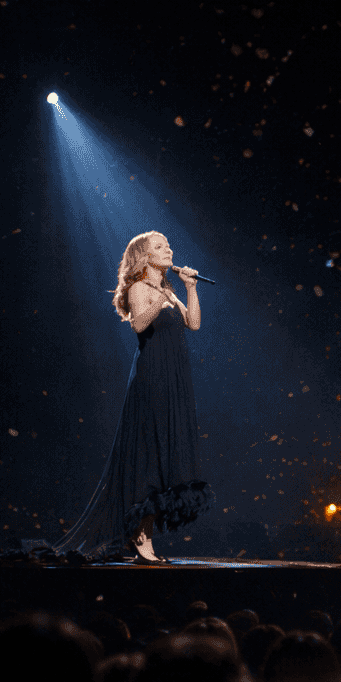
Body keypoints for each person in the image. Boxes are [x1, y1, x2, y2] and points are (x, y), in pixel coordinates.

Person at [54, 231, 214, 564]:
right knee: (149, 457)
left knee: (166, 454)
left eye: (169, 244)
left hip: (175, 379)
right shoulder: (140, 289)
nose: (168, 248)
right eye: (160, 246)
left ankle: (143, 537)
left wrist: (190, 287)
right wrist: (159, 296)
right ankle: (141, 539)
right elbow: (140, 325)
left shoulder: (168, 291)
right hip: (153, 378)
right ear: (144, 256)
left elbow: (194, 323)